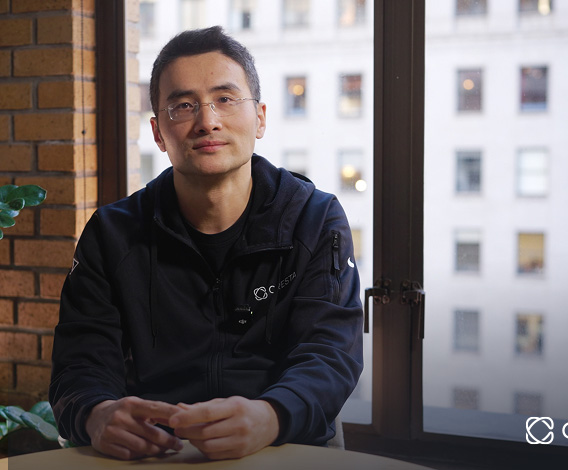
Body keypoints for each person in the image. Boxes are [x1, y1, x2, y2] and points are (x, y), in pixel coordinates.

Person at [49, 26, 363, 461]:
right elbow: (80, 360)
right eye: (183, 106)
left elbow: (330, 353)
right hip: (154, 450)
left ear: (261, 118)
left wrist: (271, 415)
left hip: (281, 441)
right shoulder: (112, 232)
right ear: (158, 133)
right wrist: (96, 413)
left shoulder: (314, 218)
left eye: (226, 99)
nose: (207, 121)